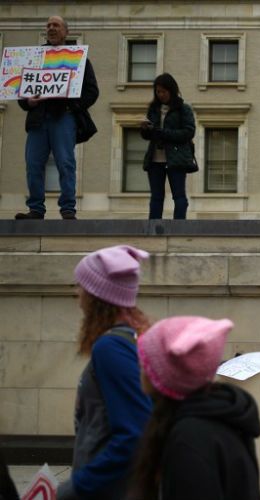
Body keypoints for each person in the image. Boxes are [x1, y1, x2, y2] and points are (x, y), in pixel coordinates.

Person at [57, 245, 152, 500]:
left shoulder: (112, 348)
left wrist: (76, 487)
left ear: (95, 295)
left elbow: (135, 433)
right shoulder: (134, 338)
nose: (78, 295)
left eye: (81, 287)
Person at [131, 316, 260, 500]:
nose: (140, 368)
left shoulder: (190, 440)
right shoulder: (215, 415)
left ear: (165, 375)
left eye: (145, 362)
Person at [15, 15, 99, 220]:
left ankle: (68, 208)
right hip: (38, 119)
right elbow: (21, 93)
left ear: (65, 32)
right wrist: (28, 102)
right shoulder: (33, 58)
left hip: (64, 117)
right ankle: (36, 208)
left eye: (56, 25)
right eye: (49, 25)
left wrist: (73, 106)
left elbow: (92, 91)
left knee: (65, 163)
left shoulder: (79, 59)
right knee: (33, 163)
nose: (51, 28)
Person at [140, 73, 196, 220]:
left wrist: (163, 133)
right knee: (156, 197)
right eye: (158, 91)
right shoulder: (153, 109)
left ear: (171, 90)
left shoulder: (183, 109)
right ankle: (153, 228)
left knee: (179, 196)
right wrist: (145, 129)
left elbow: (189, 132)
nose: (161, 95)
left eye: (163, 91)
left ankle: (178, 228)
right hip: (155, 159)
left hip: (176, 158)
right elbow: (148, 137)